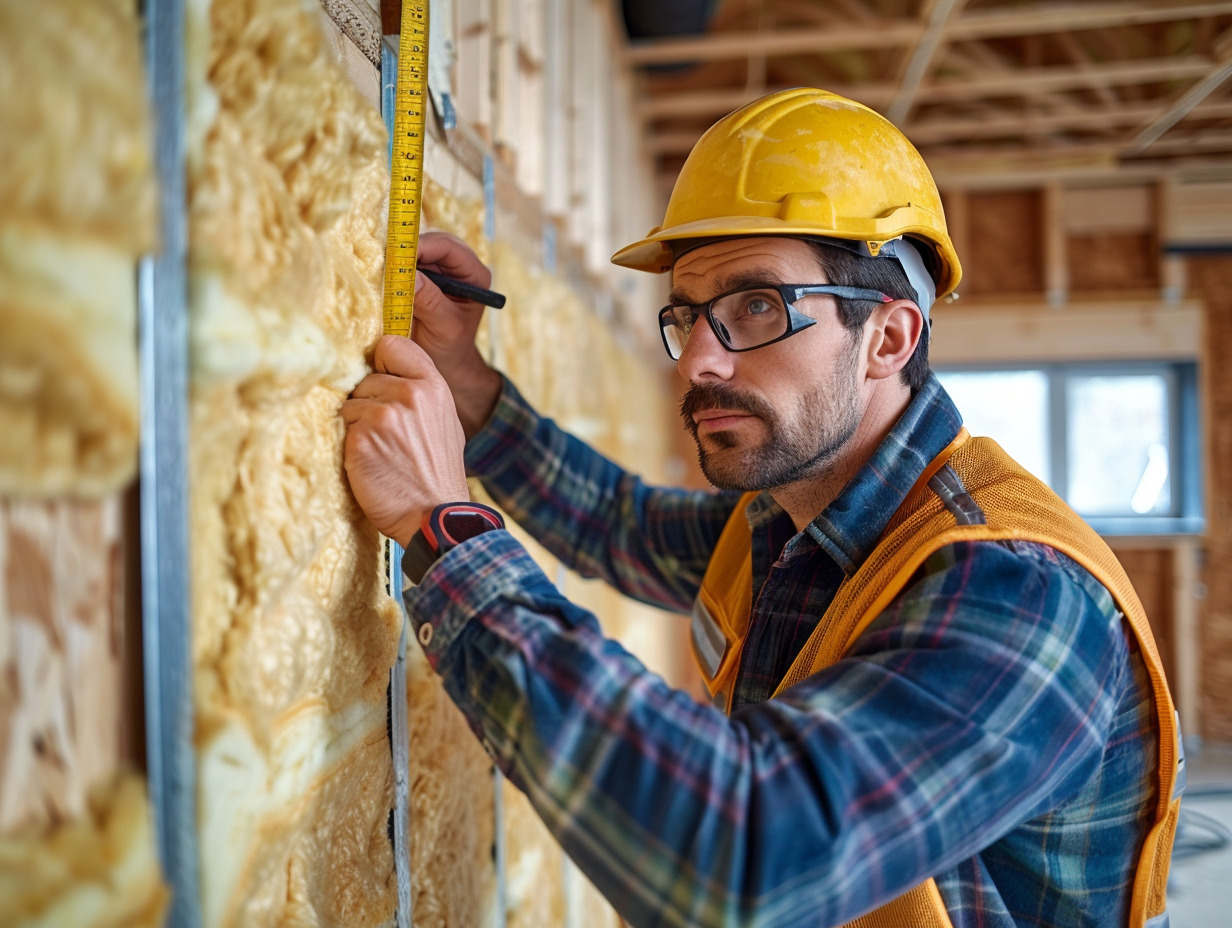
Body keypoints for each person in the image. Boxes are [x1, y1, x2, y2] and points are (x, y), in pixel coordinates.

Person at [342, 88, 1182, 928]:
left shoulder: (1023, 596)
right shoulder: (789, 519)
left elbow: (746, 861)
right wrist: (469, 387)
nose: (699, 360)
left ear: (889, 339)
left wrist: (442, 528)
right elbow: (619, 524)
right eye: (687, 314)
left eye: (757, 307)